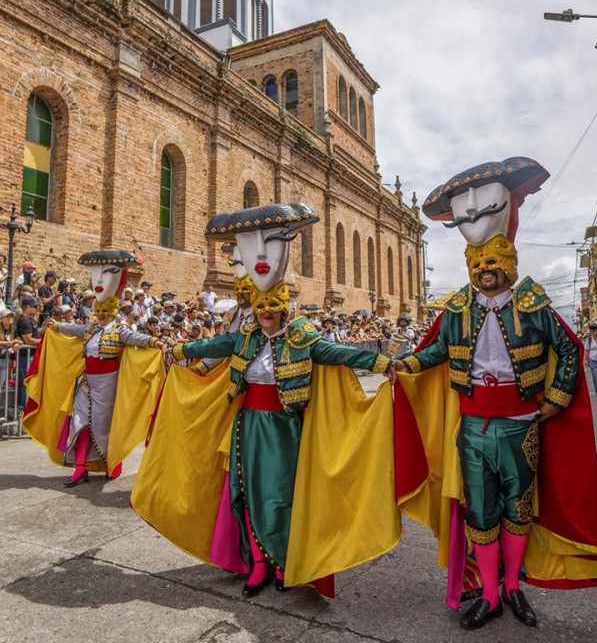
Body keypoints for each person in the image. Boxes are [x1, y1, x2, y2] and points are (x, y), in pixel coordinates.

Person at [393, 157, 597, 630]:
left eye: (494, 261)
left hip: (520, 425)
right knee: (480, 513)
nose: (486, 268)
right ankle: (488, 594)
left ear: (509, 261)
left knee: (518, 510)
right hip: (472, 428)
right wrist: (406, 363)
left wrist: (555, 400)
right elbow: (438, 352)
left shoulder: (535, 302)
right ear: (470, 265)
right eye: (479, 262)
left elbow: (570, 349)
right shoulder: (456, 309)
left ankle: (514, 587)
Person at [131, 203, 402, 599]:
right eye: (261, 309)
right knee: (247, 494)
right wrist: (181, 350)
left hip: (287, 430)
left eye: (273, 308)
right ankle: (257, 565)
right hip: (248, 426)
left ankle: (285, 561)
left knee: (283, 497)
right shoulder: (244, 338)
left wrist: (381, 361)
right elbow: (212, 344)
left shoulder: (303, 337)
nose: (266, 315)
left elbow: (338, 353)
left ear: (284, 308)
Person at [23, 249, 165, 487]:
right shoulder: (90, 329)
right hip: (87, 381)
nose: (99, 315)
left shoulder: (120, 330)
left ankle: (111, 463)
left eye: (103, 312)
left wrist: (155, 341)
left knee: (102, 425)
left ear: (112, 312)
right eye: (98, 312)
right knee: (79, 421)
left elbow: (136, 338)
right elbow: (73, 329)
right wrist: (56, 326)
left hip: (108, 384)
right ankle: (80, 469)